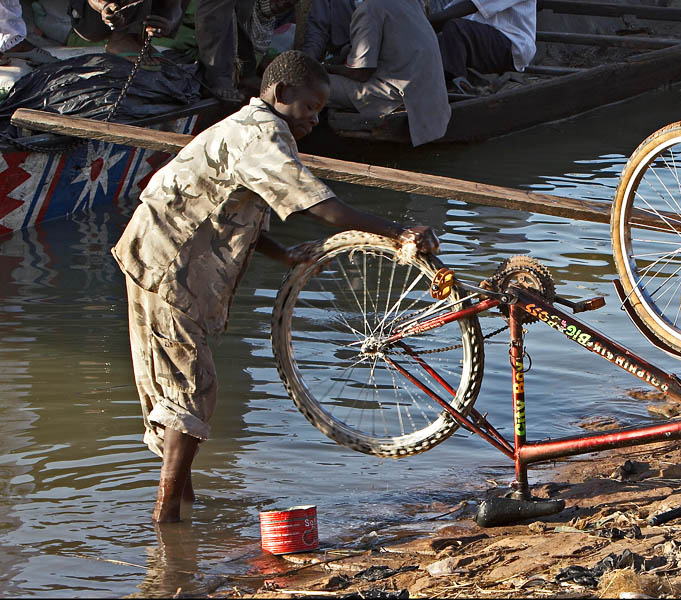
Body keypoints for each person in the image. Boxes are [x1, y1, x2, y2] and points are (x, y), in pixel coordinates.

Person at [112, 50, 440, 522]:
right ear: (281, 94)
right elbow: (320, 207)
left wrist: (283, 255)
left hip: (165, 260)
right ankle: (169, 524)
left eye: (321, 111)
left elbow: (231, 213)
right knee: (191, 390)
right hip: (169, 266)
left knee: (182, 389)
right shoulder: (261, 133)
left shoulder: (252, 128)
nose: (314, 119)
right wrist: (398, 231)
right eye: (310, 107)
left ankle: (182, 508)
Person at [325, 0, 450, 147]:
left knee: (312, 81)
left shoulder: (370, 8)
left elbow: (361, 73)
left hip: (399, 97)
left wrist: (325, 68)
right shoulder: (412, 2)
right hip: (427, 95)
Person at [429, 0, 535, 89]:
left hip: (511, 43)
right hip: (483, 38)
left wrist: (425, 22)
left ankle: (455, 86)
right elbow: (451, 9)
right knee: (440, 39)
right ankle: (468, 83)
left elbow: (472, 5)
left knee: (454, 28)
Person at [76, 0, 183, 68]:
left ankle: (138, 39)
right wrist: (104, 6)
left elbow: (175, 5)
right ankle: (120, 39)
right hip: (91, 17)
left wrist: (169, 22)